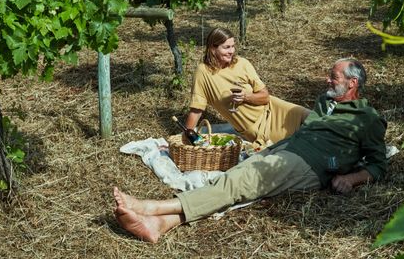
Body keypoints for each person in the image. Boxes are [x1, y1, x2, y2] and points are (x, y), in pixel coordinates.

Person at [114, 58, 387, 243]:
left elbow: (378, 164)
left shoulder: (368, 117)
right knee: (234, 179)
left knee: (241, 181)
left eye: (333, 77)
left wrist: (351, 179)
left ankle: (152, 208)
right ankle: (163, 224)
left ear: (352, 83)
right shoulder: (324, 102)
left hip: (311, 164)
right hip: (288, 148)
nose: (327, 80)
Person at [183, 27, 310, 146]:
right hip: (256, 128)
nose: (231, 51)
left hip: (273, 109)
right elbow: (196, 110)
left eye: (233, 46)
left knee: (316, 120)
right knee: (295, 145)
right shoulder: (203, 72)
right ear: (212, 48)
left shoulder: (242, 63)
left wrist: (246, 97)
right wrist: (185, 139)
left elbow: (265, 97)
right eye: (226, 47)